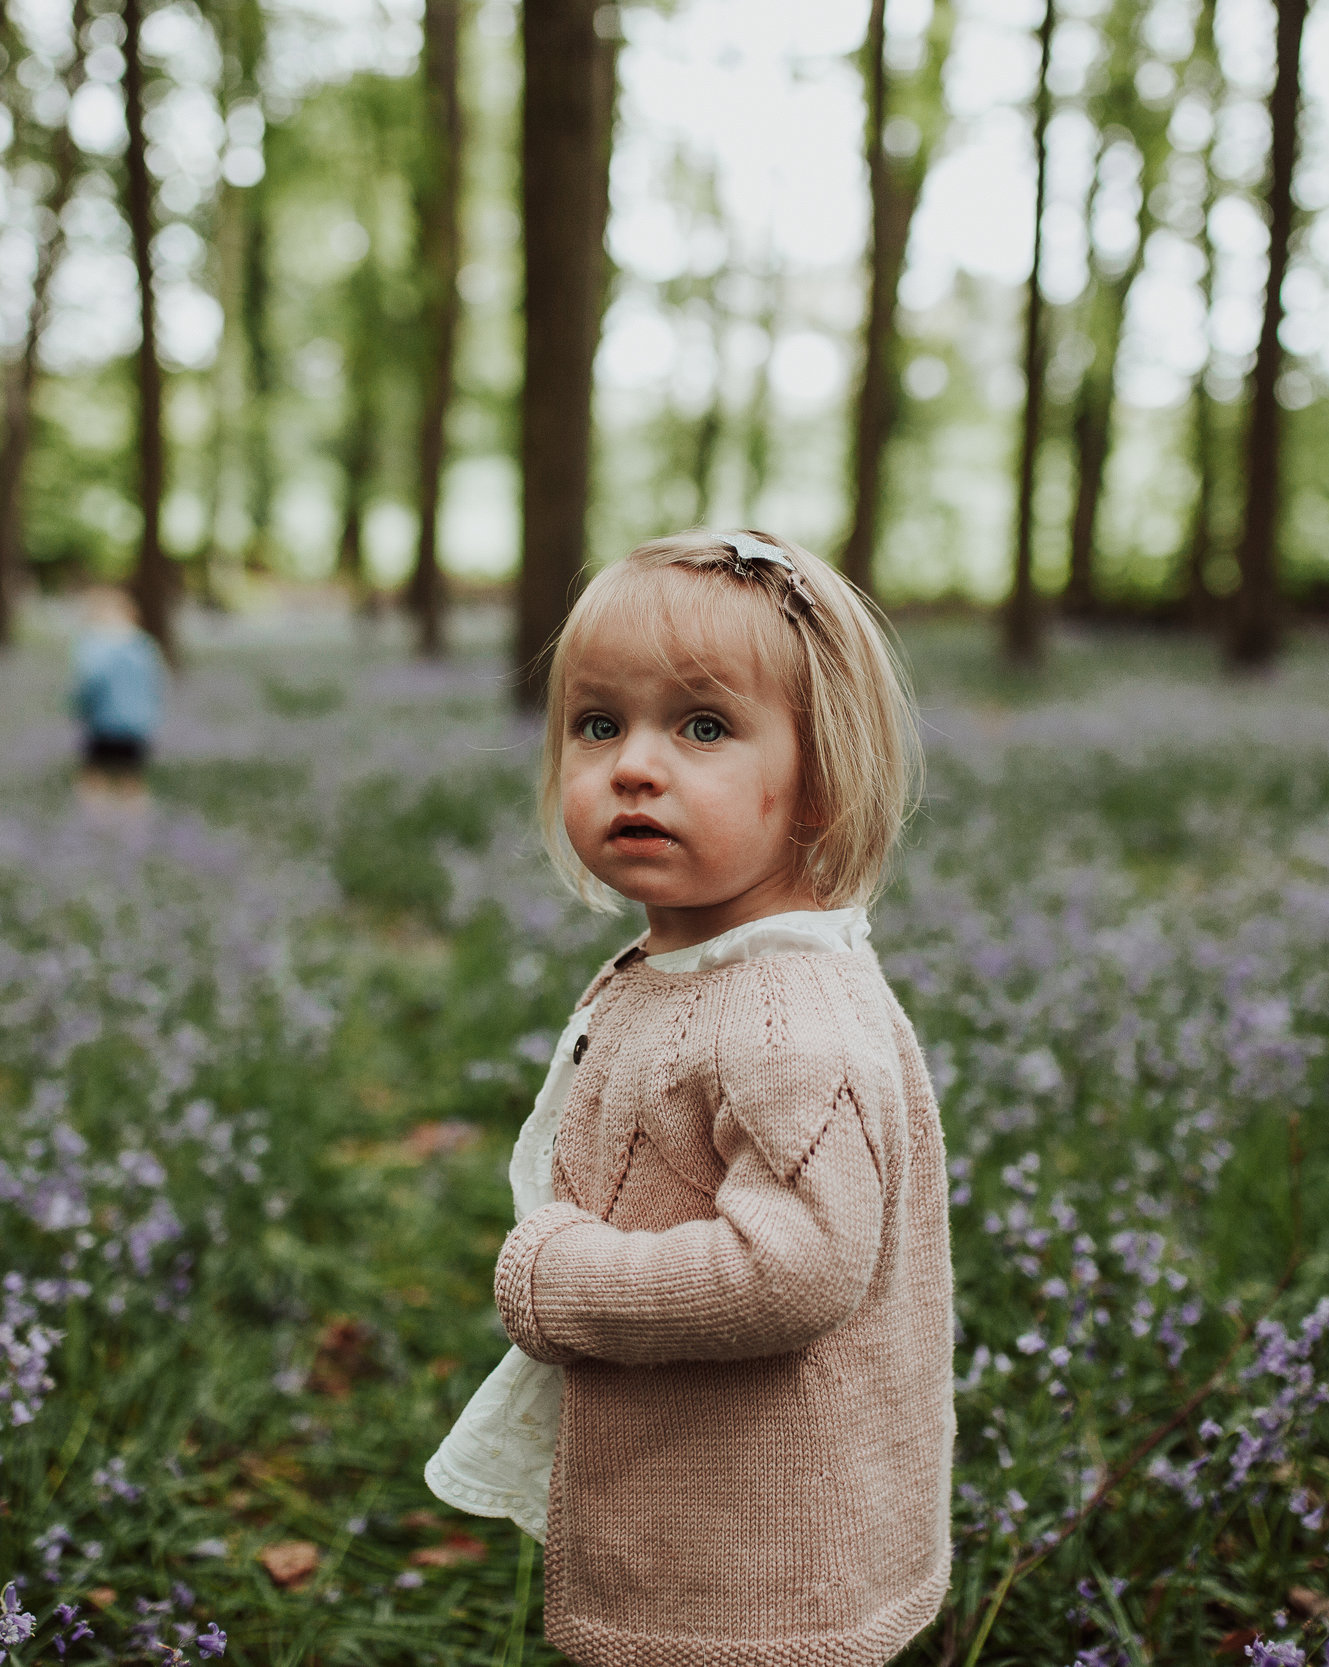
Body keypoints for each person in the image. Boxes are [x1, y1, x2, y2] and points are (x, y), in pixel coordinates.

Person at [425, 530, 954, 1667]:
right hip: (710, 1505)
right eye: (598, 722)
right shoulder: (704, 970)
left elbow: (796, 1264)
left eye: (703, 726)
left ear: (820, 779)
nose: (632, 764)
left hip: (761, 1564)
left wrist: (561, 1281)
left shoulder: (785, 1017)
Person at [70, 585, 165, 809]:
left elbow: (87, 684)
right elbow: (157, 683)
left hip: (102, 723)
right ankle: (134, 819)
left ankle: (92, 815)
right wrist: (151, 715)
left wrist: (79, 707)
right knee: (131, 774)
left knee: (94, 773)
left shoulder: (92, 647)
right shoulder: (144, 645)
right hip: (136, 724)